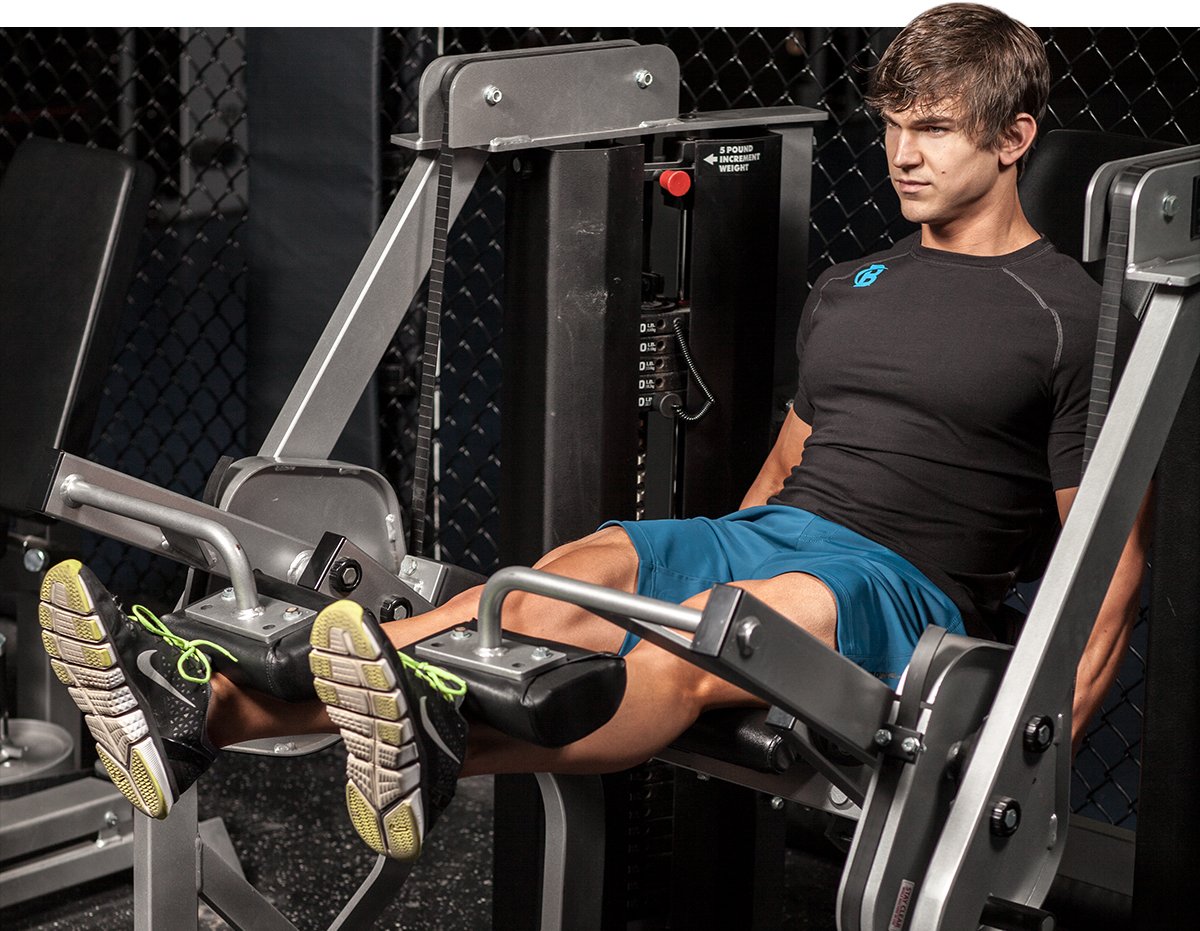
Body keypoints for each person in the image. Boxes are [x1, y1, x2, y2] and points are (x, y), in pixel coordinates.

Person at [36, 3, 1150, 864]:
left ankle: (262, 710)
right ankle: (207, 704)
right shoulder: (852, 283)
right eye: (896, 127)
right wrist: (732, 530)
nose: (906, 154)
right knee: (558, 579)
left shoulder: (1068, 315)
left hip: (898, 586)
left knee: (700, 638)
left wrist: (1028, 758)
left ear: (1015, 136)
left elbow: (1111, 565)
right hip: (772, 529)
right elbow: (790, 456)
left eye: (938, 131)